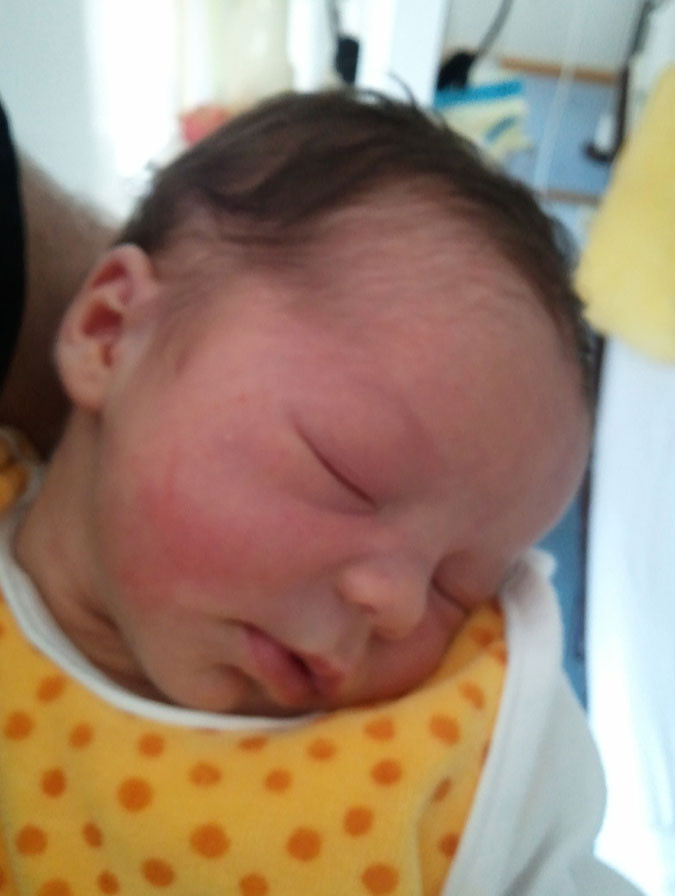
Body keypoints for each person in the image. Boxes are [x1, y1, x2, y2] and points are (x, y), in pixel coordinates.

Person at [0, 90, 642, 896]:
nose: (398, 607)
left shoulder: (460, 741)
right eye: (349, 476)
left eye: (455, 586)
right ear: (108, 332)